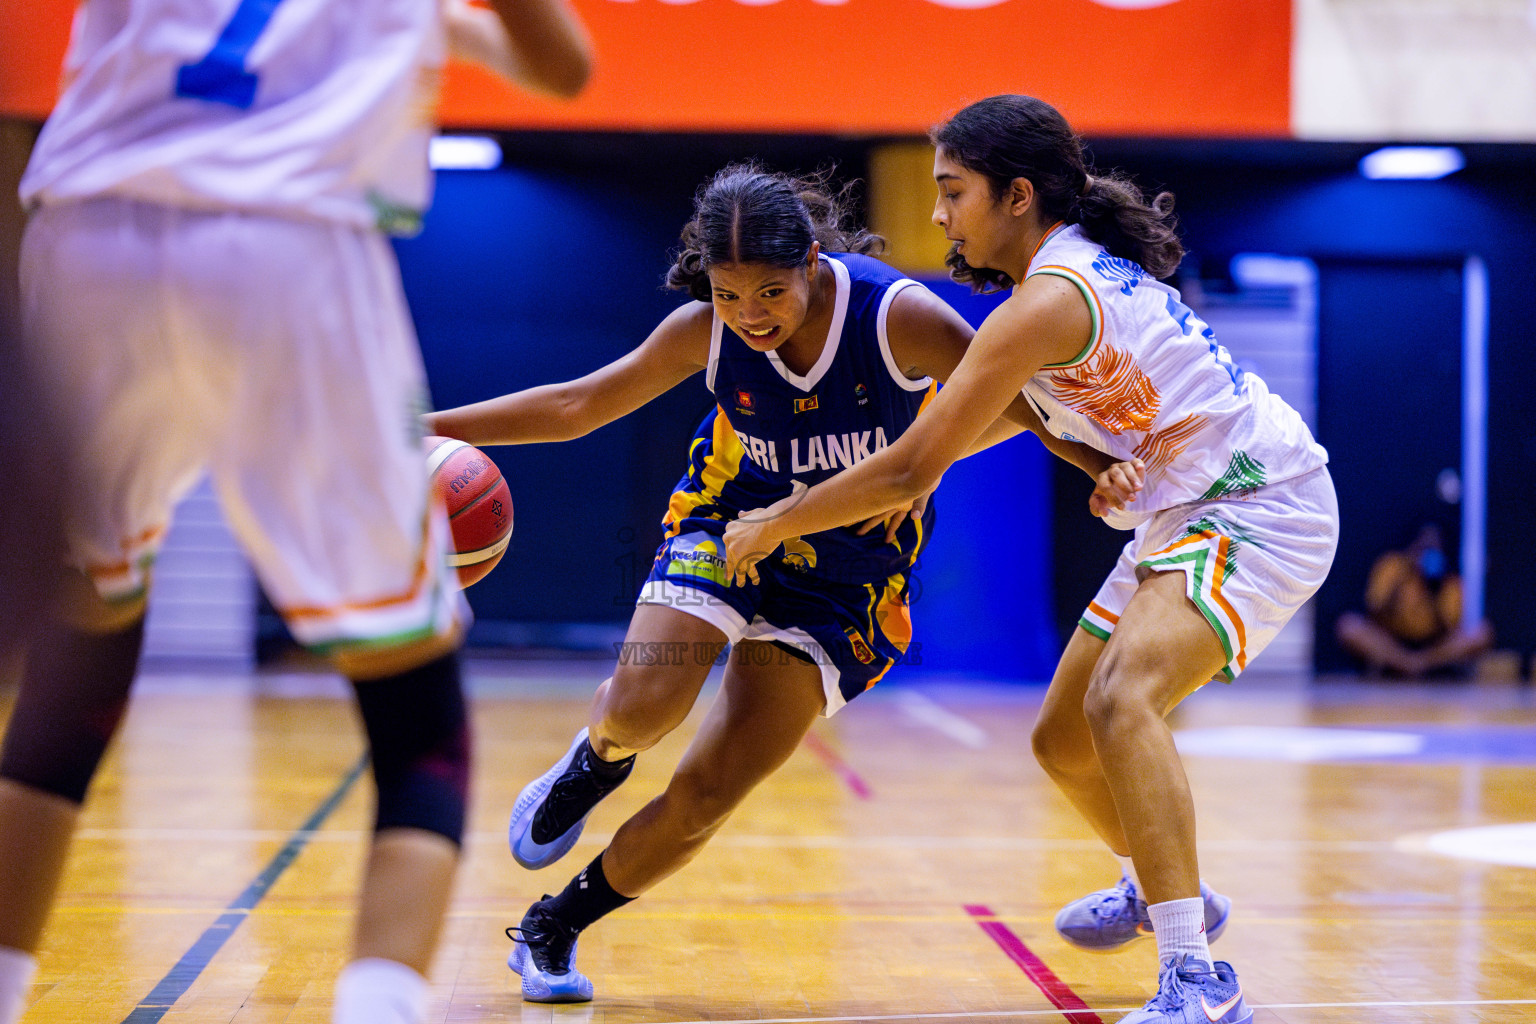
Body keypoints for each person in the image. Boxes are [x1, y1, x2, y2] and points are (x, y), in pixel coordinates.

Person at [0, 3, 590, 1023]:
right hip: (288, 247)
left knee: (74, 661)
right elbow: (562, 68)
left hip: (82, 237)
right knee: (416, 712)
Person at [425, 162, 1135, 1003]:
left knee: (710, 791)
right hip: (729, 521)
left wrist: (1095, 464)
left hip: (852, 572)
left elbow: (1013, 400)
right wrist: (421, 432)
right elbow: (581, 405)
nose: (750, 316)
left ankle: (553, 926)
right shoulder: (707, 331)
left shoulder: (897, 317)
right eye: (730, 295)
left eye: (769, 292)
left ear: (808, 261)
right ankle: (597, 756)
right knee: (649, 700)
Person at [724, 95, 1339, 1024]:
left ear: (1016, 196)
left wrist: (777, 520)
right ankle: (1163, 886)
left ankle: (1197, 976)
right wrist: (1097, 461)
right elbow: (966, 432)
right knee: (1062, 739)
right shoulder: (1053, 283)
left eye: (952, 192)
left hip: (1261, 500)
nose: (938, 216)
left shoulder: (1048, 300)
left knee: (1122, 699)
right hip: (1184, 511)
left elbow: (917, 465)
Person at [1336, 523, 1492, 677]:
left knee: (1481, 633)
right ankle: (1404, 664)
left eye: (1434, 549)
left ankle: (1419, 665)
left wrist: (1434, 589)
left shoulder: (1450, 583)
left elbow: (1451, 626)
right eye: (1424, 547)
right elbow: (1375, 607)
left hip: (1431, 649)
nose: (1427, 554)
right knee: (1349, 625)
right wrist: (1403, 577)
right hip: (1392, 643)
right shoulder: (1392, 566)